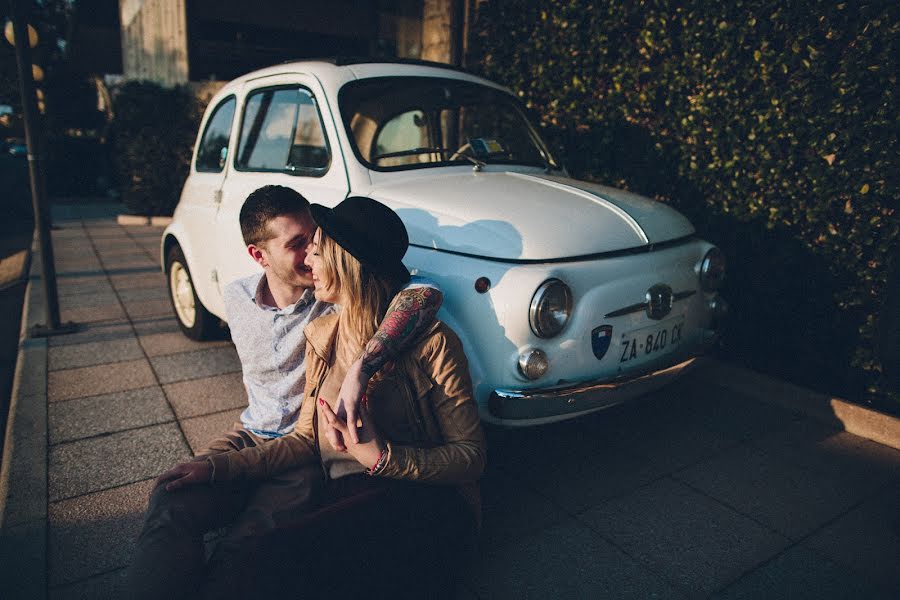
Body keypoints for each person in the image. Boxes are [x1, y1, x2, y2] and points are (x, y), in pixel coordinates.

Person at [137, 196, 486, 599]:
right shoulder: (320, 334)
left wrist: (383, 457)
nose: (309, 261)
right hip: (334, 486)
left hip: (414, 496)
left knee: (262, 560)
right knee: (211, 530)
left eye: (317, 251)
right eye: (301, 247)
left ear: (344, 262)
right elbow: (305, 439)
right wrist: (216, 467)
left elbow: (472, 457)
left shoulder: (432, 343)